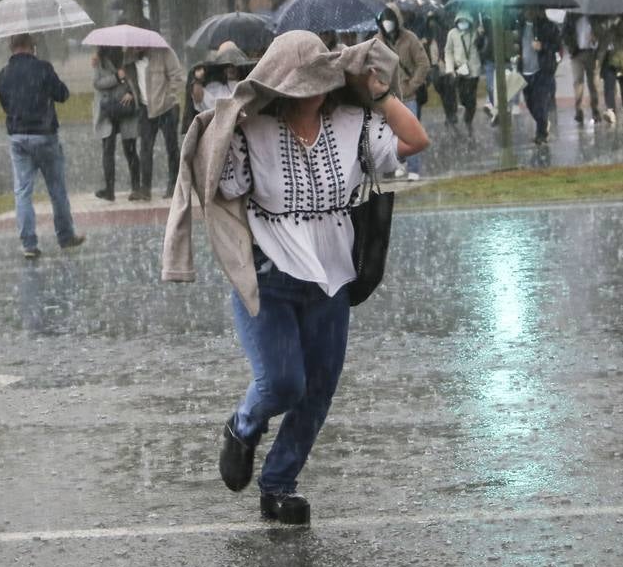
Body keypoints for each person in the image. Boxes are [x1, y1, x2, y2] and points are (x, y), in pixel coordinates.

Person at [161, 31, 430, 525]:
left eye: (318, 82)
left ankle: (279, 484)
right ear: (279, 85)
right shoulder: (252, 131)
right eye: (298, 84)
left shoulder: (355, 123)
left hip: (332, 278)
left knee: (319, 388)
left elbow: (415, 140)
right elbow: (219, 185)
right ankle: (243, 427)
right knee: (284, 382)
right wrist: (218, 128)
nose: (309, 92)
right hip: (269, 276)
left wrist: (380, 93)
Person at [0, 33, 85, 259]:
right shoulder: (43, 68)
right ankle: (65, 236)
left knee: (23, 191)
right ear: (31, 46)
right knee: (57, 189)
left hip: (18, 136)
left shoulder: (4, 74)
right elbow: (62, 94)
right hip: (44, 135)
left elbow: (5, 104)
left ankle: (29, 243)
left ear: (12, 47)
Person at [124, 38, 187, 199]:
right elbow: (129, 80)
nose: (137, 46)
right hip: (145, 109)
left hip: (167, 108)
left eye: (140, 43)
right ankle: (145, 189)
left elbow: (178, 77)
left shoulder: (164, 52)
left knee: (172, 148)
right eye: (134, 44)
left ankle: (174, 185)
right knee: (145, 149)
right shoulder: (129, 57)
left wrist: (169, 96)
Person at [375, 2, 429, 180]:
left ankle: (414, 168)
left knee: (411, 131)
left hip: (409, 94)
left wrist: (413, 84)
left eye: (390, 20)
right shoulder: (378, 42)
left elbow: (423, 63)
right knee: (392, 132)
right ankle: (400, 163)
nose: (387, 24)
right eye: (384, 20)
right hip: (389, 97)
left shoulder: (410, 39)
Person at [90, 46, 141, 202]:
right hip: (108, 110)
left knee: (130, 148)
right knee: (108, 149)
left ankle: (136, 187)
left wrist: (131, 93)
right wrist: (117, 78)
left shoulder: (129, 60)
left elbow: (137, 82)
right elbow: (97, 83)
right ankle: (109, 189)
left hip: (125, 109)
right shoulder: (99, 61)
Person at [517, 6, 562, 144]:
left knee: (540, 103)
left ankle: (541, 133)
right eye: (526, 10)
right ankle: (543, 122)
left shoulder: (548, 26)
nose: (528, 12)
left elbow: (557, 45)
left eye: (531, 10)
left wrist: (542, 46)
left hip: (542, 70)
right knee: (530, 103)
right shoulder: (519, 26)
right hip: (525, 71)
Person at [443, 11, 483, 131]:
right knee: (463, 96)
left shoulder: (475, 33)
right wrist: (450, 68)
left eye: (465, 21)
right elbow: (448, 51)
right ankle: (465, 111)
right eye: (460, 21)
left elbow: (482, 47)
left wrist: (481, 36)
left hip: (473, 70)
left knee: (471, 98)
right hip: (459, 71)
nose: (462, 23)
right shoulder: (452, 34)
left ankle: (468, 119)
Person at [563, 12, 601, 126]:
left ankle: (595, 109)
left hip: (591, 53)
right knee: (578, 82)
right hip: (577, 53)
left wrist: (595, 38)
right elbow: (565, 33)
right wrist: (571, 45)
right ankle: (579, 110)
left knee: (593, 83)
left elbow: (602, 33)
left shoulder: (594, 16)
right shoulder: (571, 16)